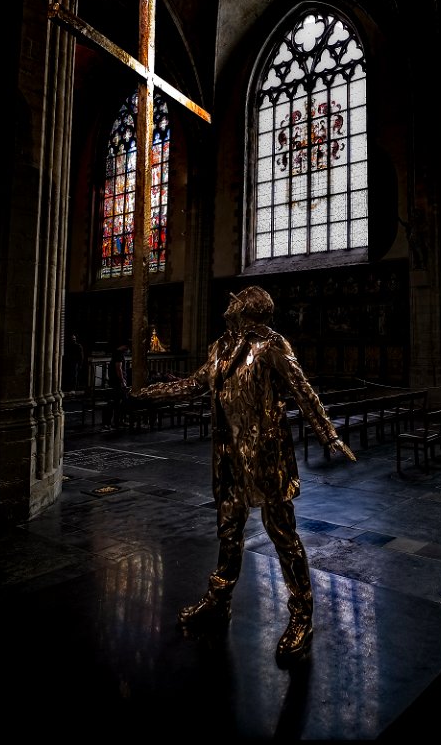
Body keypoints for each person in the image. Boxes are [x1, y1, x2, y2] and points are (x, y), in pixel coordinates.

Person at [132, 285, 356, 668]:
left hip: (265, 457)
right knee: (229, 530)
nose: (229, 304)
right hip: (229, 456)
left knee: (282, 533)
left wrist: (327, 432)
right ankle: (218, 602)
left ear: (250, 308)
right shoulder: (220, 347)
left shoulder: (272, 345)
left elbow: (301, 388)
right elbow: (195, 383)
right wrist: (150, 393)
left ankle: (302, 614)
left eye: (236, 300)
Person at [106, 343, 130, 428]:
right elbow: (118, 368)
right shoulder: (119, 354)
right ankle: (117, 421)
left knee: (116, 402)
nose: (128, 351)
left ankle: (115, 421)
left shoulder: (115, 353)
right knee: (121, 401)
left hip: (114, 381)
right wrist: (122, 381)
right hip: (117, 382)